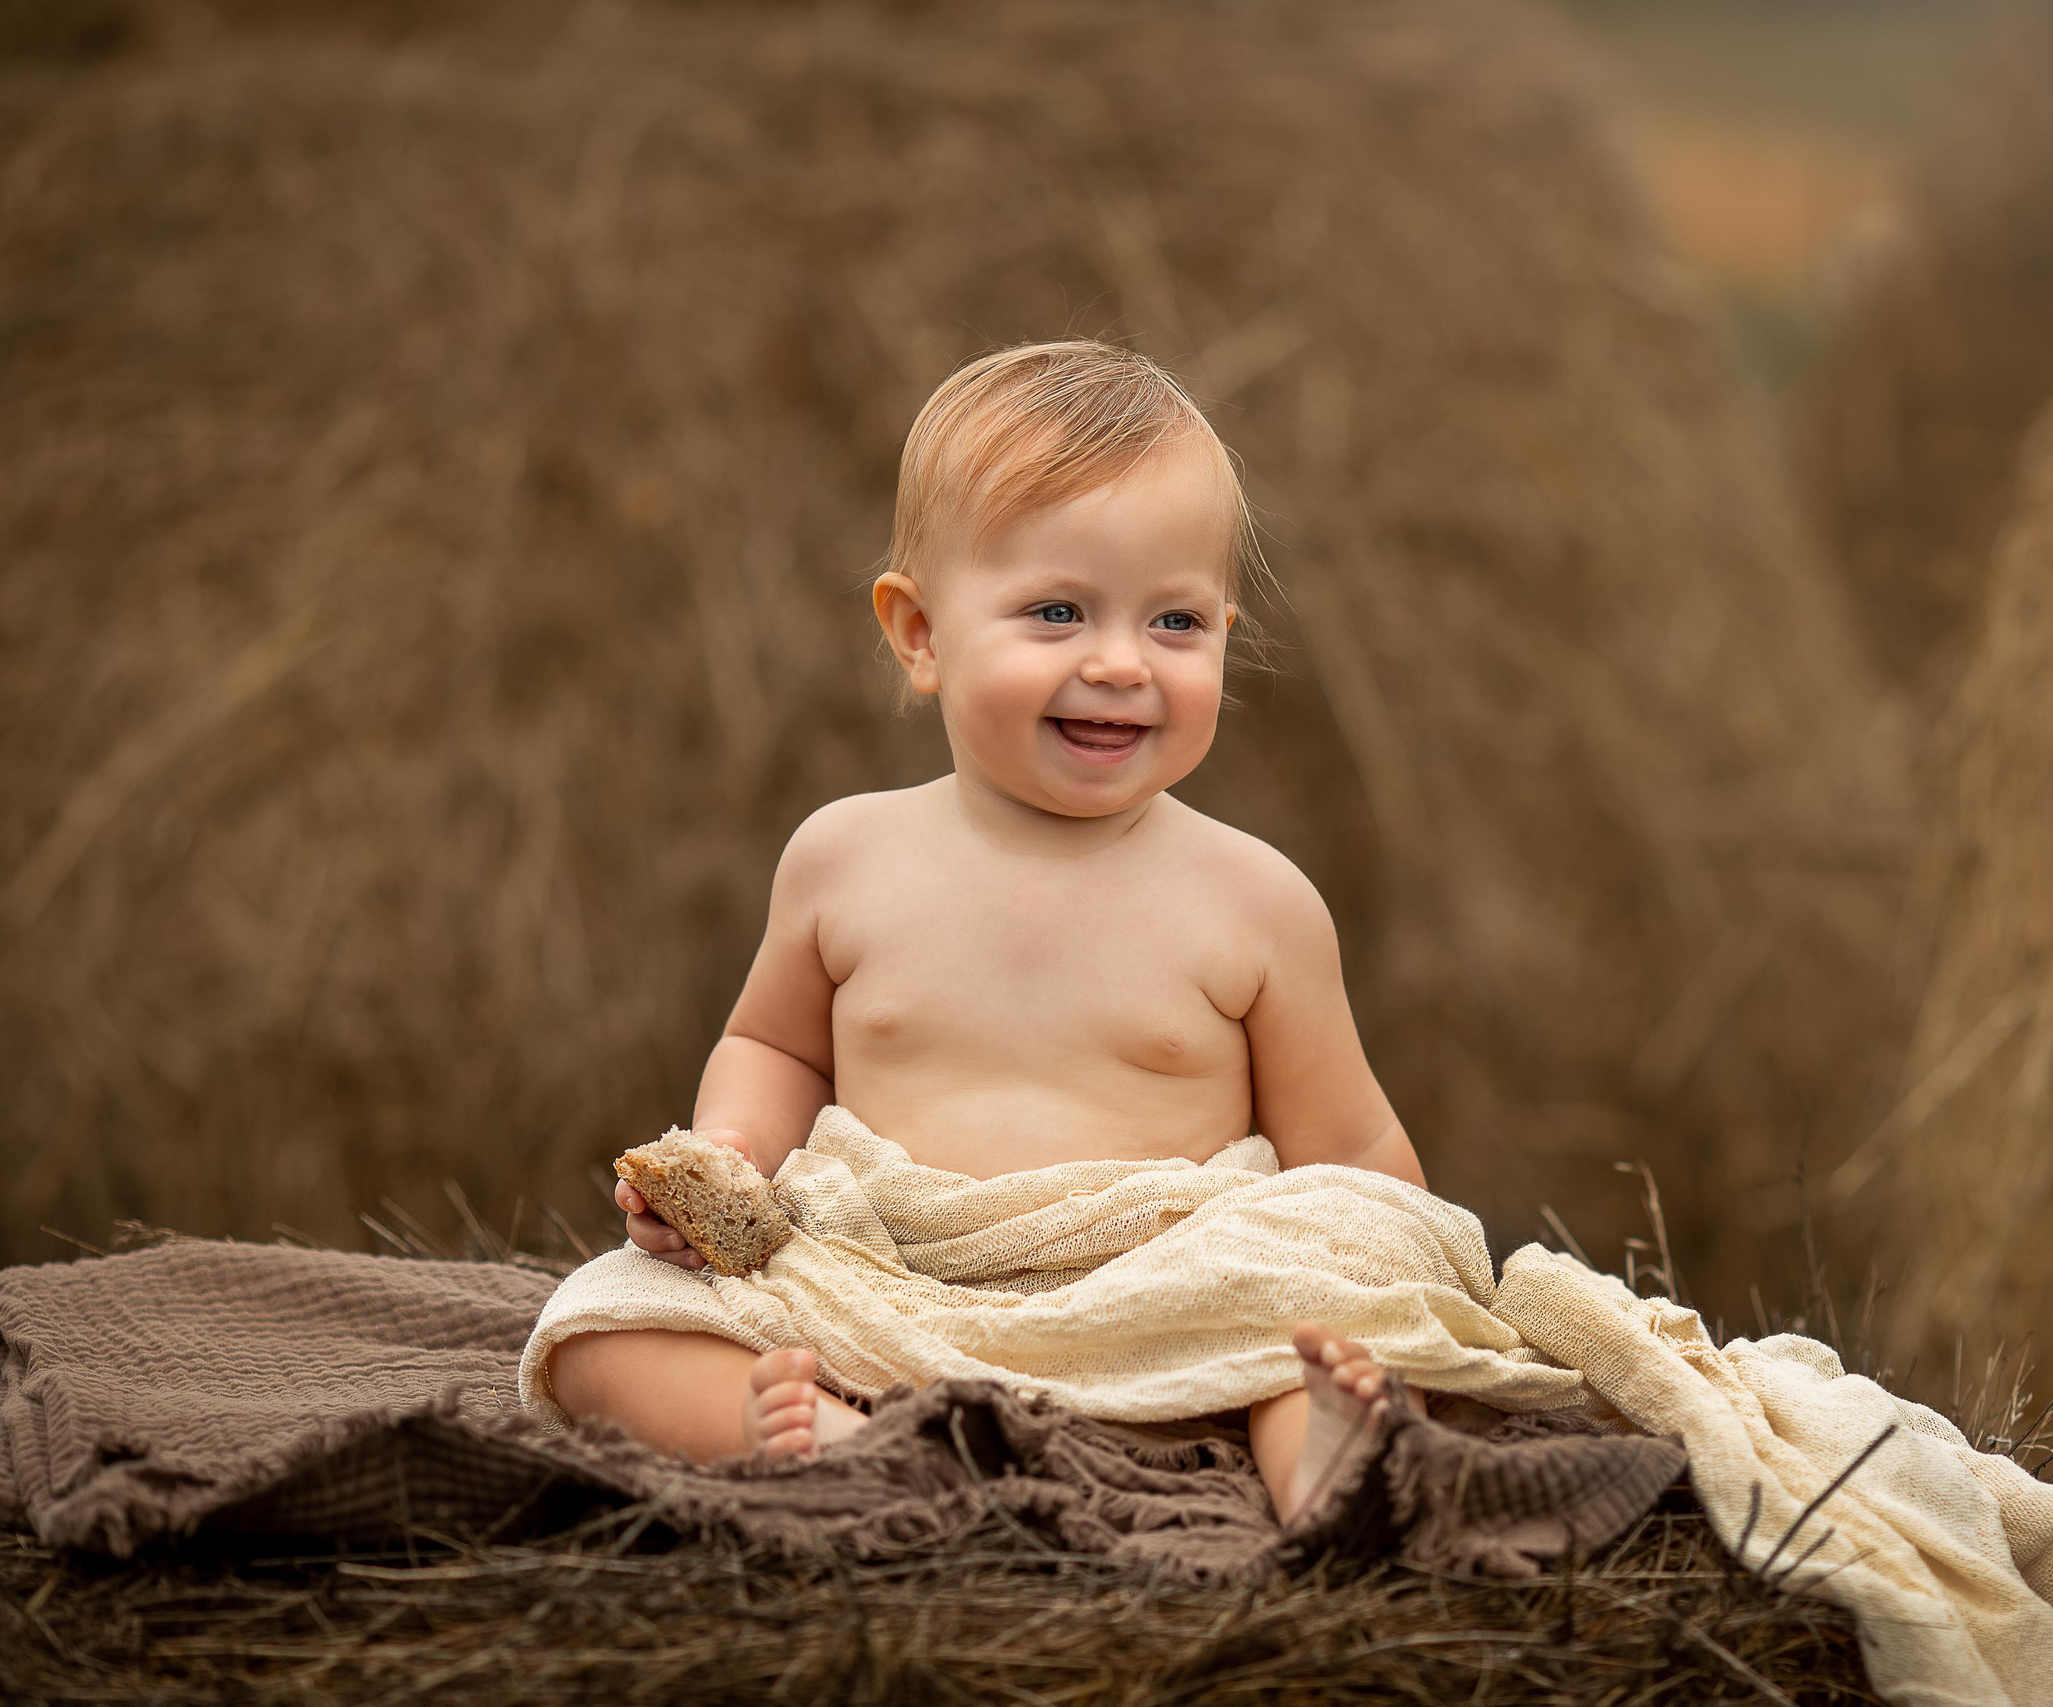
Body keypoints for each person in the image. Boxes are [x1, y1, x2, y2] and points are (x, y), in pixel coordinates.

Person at [546, 341, 1419, 1522]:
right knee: (598, 1331)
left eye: (1174, 622)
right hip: (891, 1286)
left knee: (1305, 1320)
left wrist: (1386, 1278)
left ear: (1224, 629)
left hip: (1157, 1304)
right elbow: (778, 1049)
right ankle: (818, 1438)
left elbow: (1350, 1154)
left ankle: (1319, 1454)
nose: (1119, 663)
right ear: (919, 634)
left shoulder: (1254, 901)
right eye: (1057, 612)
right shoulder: (843, 859)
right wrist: (729, 1158)